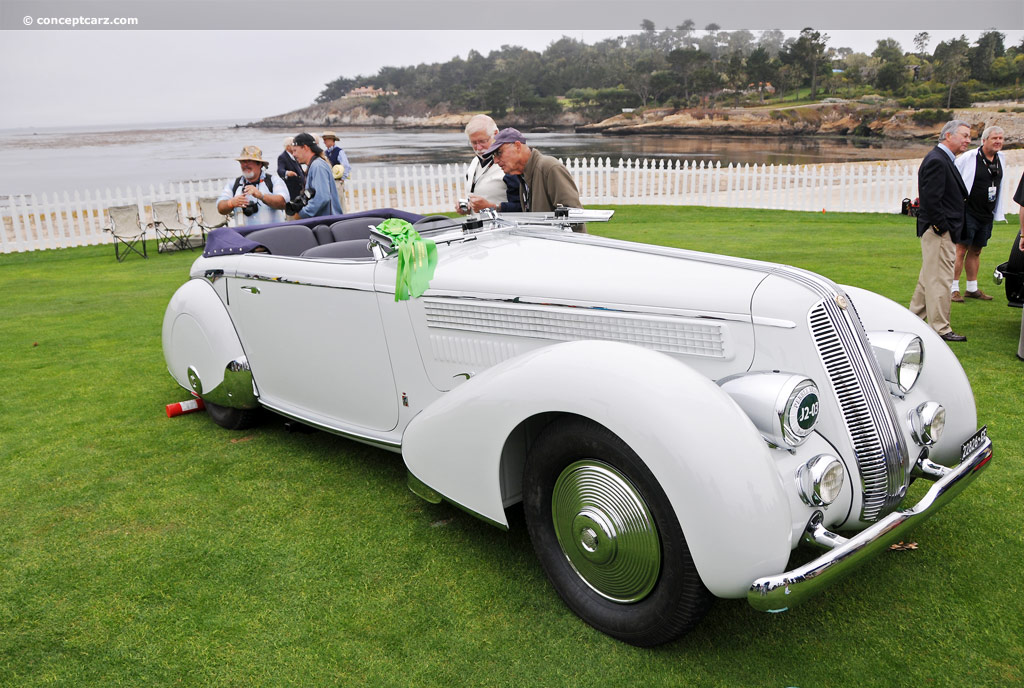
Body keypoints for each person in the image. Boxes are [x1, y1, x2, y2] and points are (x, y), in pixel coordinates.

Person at [908, 120, 971, 342]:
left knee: (928, 278)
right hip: (939, 231)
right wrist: (941, 227)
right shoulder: (937, 160)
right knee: (941, 279)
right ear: (948, 136)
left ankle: (910, 320)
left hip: (942, 230)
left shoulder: (943, 159)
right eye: (963, 135)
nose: (968, 139)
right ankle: (941, 329)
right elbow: (930, 200)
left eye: (969, 136)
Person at [486, 127, 584, 232]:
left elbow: (574, 216)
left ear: (517, 146)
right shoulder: (523, 176)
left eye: (499, 153)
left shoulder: (549, 168)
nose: (495, 161)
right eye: (494, 155)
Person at [951, 125, 1005, 302]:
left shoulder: (1000, 159)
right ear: (984, 140)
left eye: (1001, 139)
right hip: (968, 211)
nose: (998, 142)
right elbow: (954, 177)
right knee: (960, 249)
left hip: (986, 213)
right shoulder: (969, 158)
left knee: (976, 250)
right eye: (994, 138)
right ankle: (953, 288)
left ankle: (972, 288)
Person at [455, 114, 521, 215]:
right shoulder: (474, 162)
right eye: (473, 143)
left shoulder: (510, 164)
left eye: (482, 141)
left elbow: (523, 207)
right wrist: (468, 207)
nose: (478, 148)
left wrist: (492, 207)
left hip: (505, 228)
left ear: (496, 134)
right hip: (480, 229)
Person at [216, 146, 287, 226]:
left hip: (273, 234)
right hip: (245, 236)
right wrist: (231, 203)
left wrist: (261, 196)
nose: (245, 165)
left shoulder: (274, 181)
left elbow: (283, 203)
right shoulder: (233, 184)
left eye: (249, 161)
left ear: (260, 164)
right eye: (242, 162)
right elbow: (220, 208)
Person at [290, 132, 343, 219]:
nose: (293, 154)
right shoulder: (315, 165)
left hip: (327, 223)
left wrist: (302, 213)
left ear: (305, 148)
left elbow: (322, 198)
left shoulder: (317, 166)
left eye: (295, 150)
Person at [322, 131, 351, 213]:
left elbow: (346, 165)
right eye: (324, 140)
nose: (324, 142)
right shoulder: (325, 153)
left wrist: (343, 179)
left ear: (331, 140)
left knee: (340, 203)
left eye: (326, 140)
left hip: (337, 181)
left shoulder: (339, 151)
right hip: (329, 182)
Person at [277, 136, 306, 201]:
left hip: (301, 188)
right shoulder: (282, 157)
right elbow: (280, 170)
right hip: (292, 189)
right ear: (288, 147)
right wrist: (287, 173)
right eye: (293, 145)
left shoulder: (294, 155)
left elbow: (299, 168)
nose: (295, 146)